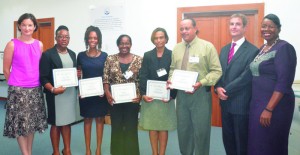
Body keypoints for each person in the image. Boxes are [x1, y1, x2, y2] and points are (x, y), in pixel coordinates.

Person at [168, 18, 222, 155]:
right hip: (182, 96)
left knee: (201, 131)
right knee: (184, 131)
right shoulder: (177, 48)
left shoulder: (207, 46)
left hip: (200, 96)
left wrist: (201, 82)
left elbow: (217, 71)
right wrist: (170, 80)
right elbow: (173, 68)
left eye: (187, 28)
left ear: (195, 29)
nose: (184, 31)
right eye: (181, 29)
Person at [247, 14, 297, 155]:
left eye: (271, 26)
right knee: (257, 142)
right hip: (257, 103)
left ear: (278, 29)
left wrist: (269, 109)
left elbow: (284, 82)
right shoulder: (262, 48)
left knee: (271, 143)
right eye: (264, 26)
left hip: (275, 105)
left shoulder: (284, 48)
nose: (266, 29)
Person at [2, 13, 48, 155]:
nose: (27, 28)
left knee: (31, 123)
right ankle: (25, 153)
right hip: (18, 91)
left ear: (34, 27)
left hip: (35, 89)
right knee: (20, 124)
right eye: (24, 25)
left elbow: (39, 67)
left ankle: (29, 152)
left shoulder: (39, 44)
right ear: (19, 26)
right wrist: (16, 83)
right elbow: (5, 69)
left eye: (30, 25)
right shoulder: (12, 44)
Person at [215, 13, 258, 155]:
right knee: (228, 141)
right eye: (231, 24)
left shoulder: (253, 51)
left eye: (238, 24)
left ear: (245, 27)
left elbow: (246, 77)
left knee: (241, 143)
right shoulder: (224, 49)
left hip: (241, 105)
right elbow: (219, 72)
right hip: (225, 104)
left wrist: (225, 91)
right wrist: (217, 88)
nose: (234, 27)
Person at [40, 25, 78, 155]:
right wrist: (52, 89)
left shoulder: (73, 54)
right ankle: (56, 151)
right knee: (56, 123)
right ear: (56, 37)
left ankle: (67, 149)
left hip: (69, 94)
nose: (64, 39)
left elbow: (74, 73)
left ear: (69, 39)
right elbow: (43, 78)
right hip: (55, 96)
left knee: (67, 122)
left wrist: (77, 75)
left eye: (66, 37)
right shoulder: (47, 54)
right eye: (61, 36)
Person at [138, 28, 177, 155]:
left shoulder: (172, 54)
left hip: (166, 98)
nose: (159, 40)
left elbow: (174, 76)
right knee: (152, 126)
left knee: (163, 127)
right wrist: (143, 94)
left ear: (166, 39)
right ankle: (154, 153)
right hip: (151, 97)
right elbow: (143, 75)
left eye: (161, 37)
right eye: (156, 38)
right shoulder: (148, 55)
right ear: (153, 40)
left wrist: (171, 96)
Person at [103, 34, 142, 155]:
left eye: (127, 43)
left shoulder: (139, 60)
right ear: (118, 45)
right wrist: (107, 93)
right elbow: (105, 79)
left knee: (131, 128)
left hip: (133, 101)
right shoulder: (110, 59)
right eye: (121, 43)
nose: (124, 46)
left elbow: (142, 80)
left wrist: (140, 95)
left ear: (130, 44)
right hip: (115, 100)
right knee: (117, 128)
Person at [77, 26, 109, 155]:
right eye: (90, 38)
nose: (93, 40)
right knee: (87, 120)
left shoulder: (105, 56)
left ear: (99, 39)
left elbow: (107, 76)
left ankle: (98, 149)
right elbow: (78, 75)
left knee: (100, 120)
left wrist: (105, 90)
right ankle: (87, 150)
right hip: (86, 95)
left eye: (95, 38)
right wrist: (79, 90)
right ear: (86, 39)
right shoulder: (80, 56)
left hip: (100, 95)